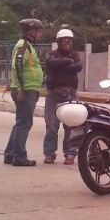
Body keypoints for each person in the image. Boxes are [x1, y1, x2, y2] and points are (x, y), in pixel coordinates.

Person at [4, 18, 45, 167]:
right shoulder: (24, 46)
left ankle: (10, 155)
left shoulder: (27, 46)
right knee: (24, 124)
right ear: (31, 31)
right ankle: (19, 157)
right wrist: (20, 88)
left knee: (20, 123)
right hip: (26, 90)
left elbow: (19, 67)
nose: (40, 34)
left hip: (28, 89)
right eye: (39, 31)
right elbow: (18, 65)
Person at [43, 29, 83, 165]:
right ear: (59, 41)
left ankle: (70, 154)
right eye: (65, 39)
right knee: (51, 126)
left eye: (70, 39)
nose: (68, 42)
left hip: (70, 93)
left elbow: (78, 66)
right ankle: (49, 154)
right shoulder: (51, 54)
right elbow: (50, 63)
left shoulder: (75, 55)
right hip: (53, 93)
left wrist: (61, 64)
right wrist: (66, 62)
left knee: (71, 126)